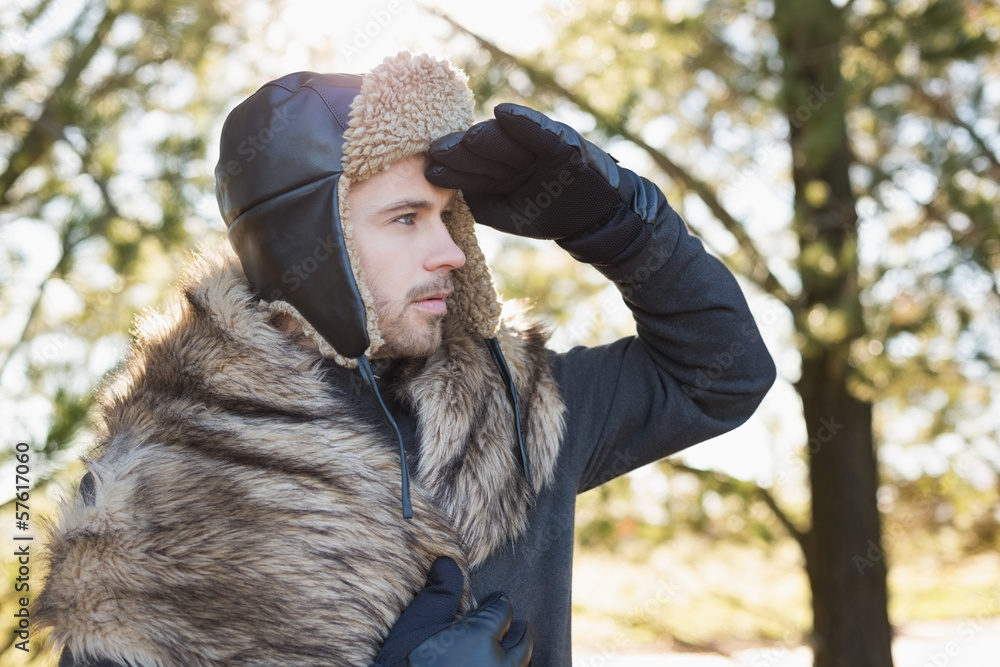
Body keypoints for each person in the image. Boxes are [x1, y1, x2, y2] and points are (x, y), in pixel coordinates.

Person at [34, 52, 776, 666]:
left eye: (447, 217)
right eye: (405, 218)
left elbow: (724, 374)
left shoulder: (522, 405)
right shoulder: (156, 487)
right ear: (304, 239)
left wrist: (623, 225)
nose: (451, 251)